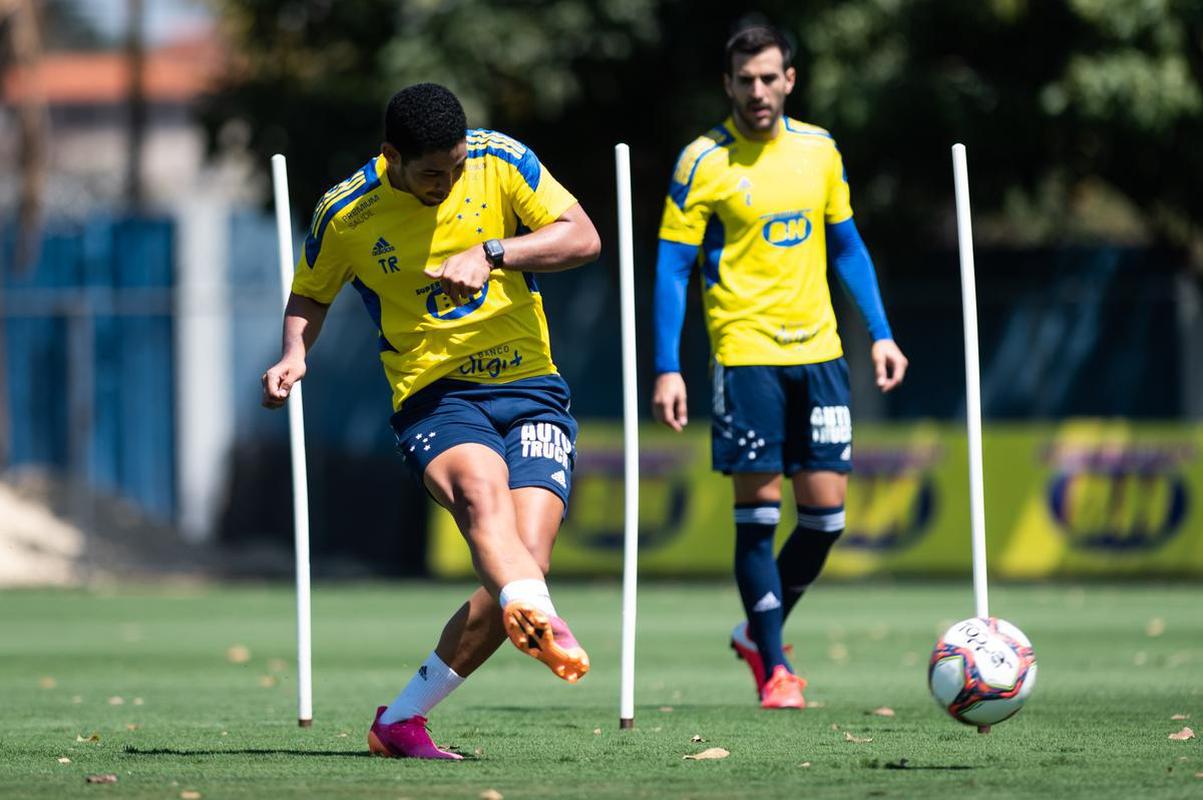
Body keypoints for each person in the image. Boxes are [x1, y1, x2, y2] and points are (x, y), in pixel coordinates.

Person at [261, 83, 601, 758]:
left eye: (454, 169)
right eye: (428, 175)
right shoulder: (346, 212)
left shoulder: (499, 160)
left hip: (530, 386)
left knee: (522, 565)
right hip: (434, 396)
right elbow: (310, 293)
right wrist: (295, 352)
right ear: (390, 157)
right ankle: (539, 614)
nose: (444, 184)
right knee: (483, 501)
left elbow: (582, 238)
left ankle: (401, 721)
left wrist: (494, 252)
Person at [650, 25, 908, 709]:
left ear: (789, 79)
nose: (757, 91)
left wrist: (879, 334)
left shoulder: (819, 149)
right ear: (727, 84)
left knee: (825, 520)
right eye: (745, 80)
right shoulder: (701, 160)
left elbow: (847, 246)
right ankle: (774, 667)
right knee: (759, 516)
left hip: (820, 353)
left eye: (769, 78)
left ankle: (755, 631)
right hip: (744, 357)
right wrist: (666, 366)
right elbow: (673, 267)